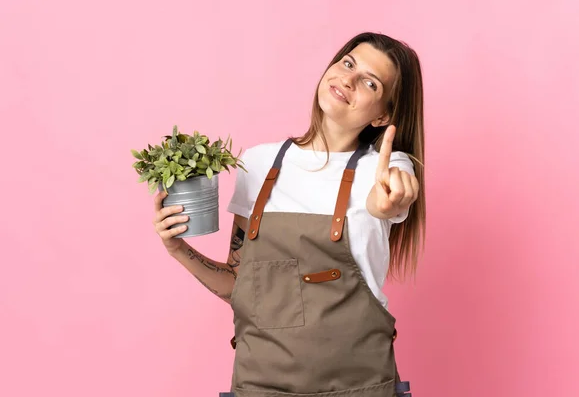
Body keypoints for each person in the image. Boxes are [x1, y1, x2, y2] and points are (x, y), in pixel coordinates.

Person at [152, 32, 425, 397]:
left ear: (384, 114)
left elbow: (389, 197)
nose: (348, 79)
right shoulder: (258, 163)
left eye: (369, 82)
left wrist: (388, 202)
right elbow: (240, 284)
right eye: (347, 64)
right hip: (260, 386)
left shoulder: (387, 168)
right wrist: (177, 249)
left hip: (359, 387)